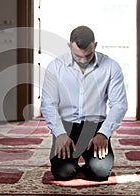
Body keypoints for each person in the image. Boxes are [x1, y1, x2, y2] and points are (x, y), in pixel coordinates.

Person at [41, 25, 128, 181]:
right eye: (77, 56)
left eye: (88, 55)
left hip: (96, 127)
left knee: (101, 173)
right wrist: (59, 133)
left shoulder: (111, 66)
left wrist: (104, 133)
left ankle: (89, 165)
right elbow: (48, 104)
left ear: (95, 45)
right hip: (66, 126)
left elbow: (119, 105)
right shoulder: (55, 67)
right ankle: (71, 163)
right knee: (63, 173)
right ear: (69, 46)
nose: (83, 61)